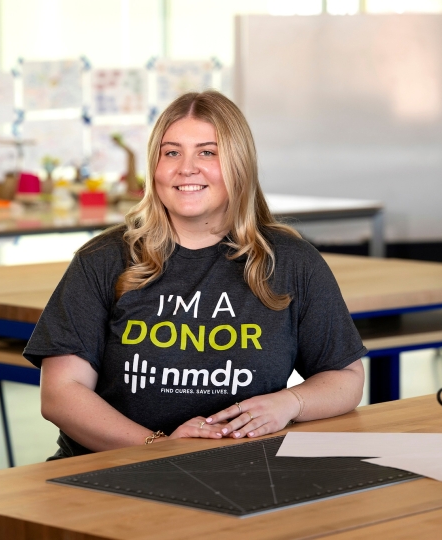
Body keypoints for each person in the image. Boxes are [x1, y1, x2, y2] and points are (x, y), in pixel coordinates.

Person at [24, 90, 366, 459]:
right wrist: (157, 446)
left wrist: (290, 402)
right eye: (171, 152)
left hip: (243, 471)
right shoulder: (104, 259)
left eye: (207, 152)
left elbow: (345, 379)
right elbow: (61, 393)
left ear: (239, 164)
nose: (186, 168)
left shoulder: (290, 261)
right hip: (112, 469)